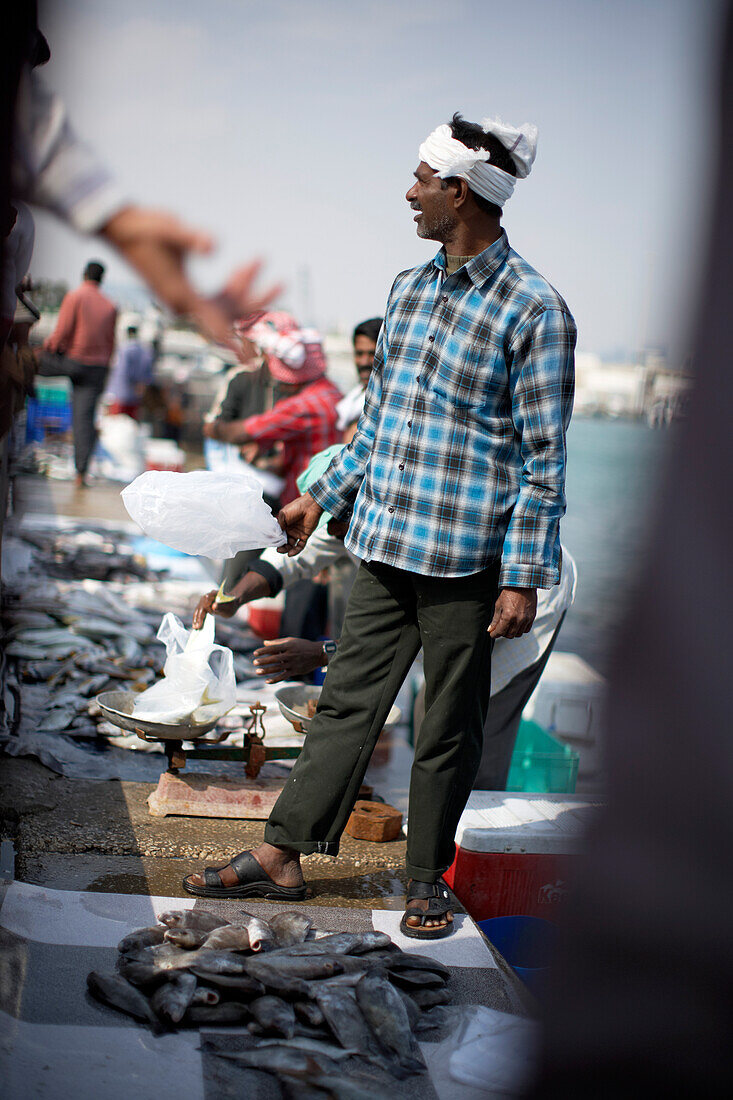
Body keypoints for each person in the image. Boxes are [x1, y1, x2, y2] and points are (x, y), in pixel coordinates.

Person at [184, 113, 575, 941]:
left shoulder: (535, 311)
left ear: (458, 192)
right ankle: (284, 852)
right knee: (346, 707)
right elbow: (376, 433)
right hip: (385, 548)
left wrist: (521, 575)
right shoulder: (406, 290)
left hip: (468, 563)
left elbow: (543, 462)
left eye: (420, 180)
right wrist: (316, 495)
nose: (409, 193)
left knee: (444, 726)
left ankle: (424, 875)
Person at [38, 260, 116, 487]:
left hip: (74, 362)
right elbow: (111, 343)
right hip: (98, 369)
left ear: (84, 275)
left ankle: (26, 389)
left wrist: (45, 350)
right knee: (84, 420)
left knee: (31, 362)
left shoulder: (76, 296)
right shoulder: (110, 305)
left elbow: (62, 332)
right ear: (102, 279)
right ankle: (81, 473)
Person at [336, 317, 383, 440]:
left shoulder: (385, 401)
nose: (364, 362)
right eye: (359, 354)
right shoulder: (354, 396)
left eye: (372, 354)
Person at [105, 324, 154, 419]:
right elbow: (147, 371)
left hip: (119, 393)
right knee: (130, 420)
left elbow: (123, 370)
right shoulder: (144, 350)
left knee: (117, 421)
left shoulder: (124, 349)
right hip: (134, 394)